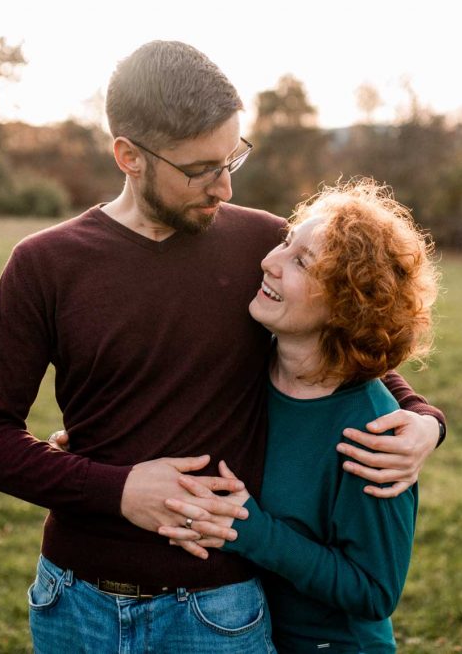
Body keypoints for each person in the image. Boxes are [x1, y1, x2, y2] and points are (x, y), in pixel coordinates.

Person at [0, 41, 446, 653]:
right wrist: (118, 490)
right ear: (129, 156)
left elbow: (350, 345)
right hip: (72, 601)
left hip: (218, 609)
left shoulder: (261, 247)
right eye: (199, 169)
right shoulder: (43, 264)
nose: (223, 185)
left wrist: (426, 419)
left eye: (232, 158)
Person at [157, 179, 438, 653]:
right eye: (286, 242)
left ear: (347, 305)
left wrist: (255, 533)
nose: (269, 262)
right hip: (236, 634)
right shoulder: (248, 364)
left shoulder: (375, 434)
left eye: (301, 262)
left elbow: (374, 592)